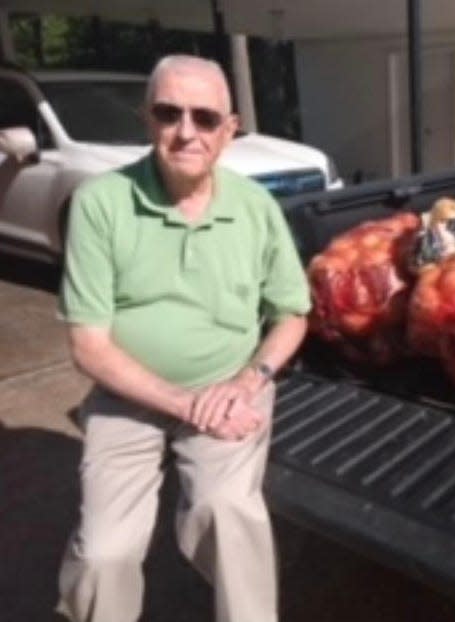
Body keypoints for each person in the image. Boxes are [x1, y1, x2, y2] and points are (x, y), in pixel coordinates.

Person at [55, 54, 310, 622]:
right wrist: (184, 404)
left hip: (229, 390)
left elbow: (292, 313)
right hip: (127, 398)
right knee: (103, 555)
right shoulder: (101, 204)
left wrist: (249, 380)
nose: (186, 131)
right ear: (147, 119)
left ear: (230, 129)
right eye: (169, 113)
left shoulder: (255, 208)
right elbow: (88, 345)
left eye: (205, 116)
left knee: (228, 514)